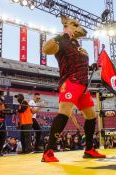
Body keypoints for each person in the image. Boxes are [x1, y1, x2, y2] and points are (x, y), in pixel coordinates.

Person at [41, 15, 105, 162]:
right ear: (65, 25)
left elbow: (77, 63)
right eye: (74, 25)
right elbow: (45, 49)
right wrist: (60, 35)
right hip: (70, 82)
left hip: (83, 86)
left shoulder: (78, 45)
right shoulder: (61, 40)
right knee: (64, 113)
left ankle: (89, 149)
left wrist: (91, 67)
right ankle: (48, 152)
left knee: (91, 116)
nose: (79, 28)